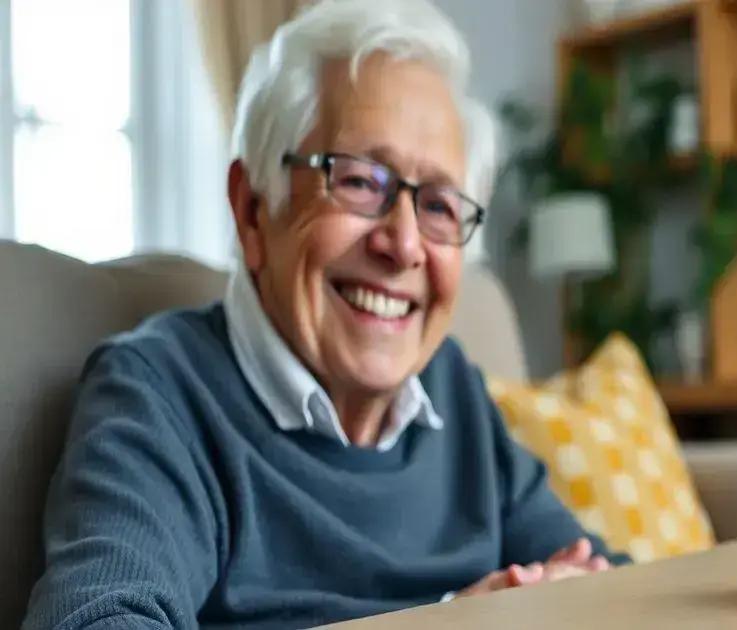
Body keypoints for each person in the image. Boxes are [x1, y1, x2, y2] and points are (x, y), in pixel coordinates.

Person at [22, 1, 620, 628]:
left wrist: (584, 590)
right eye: (360, 180)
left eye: (440, 205)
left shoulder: (450, 387)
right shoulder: (159, 390)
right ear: (253, 210)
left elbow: (597, 576)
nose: (406, 243)